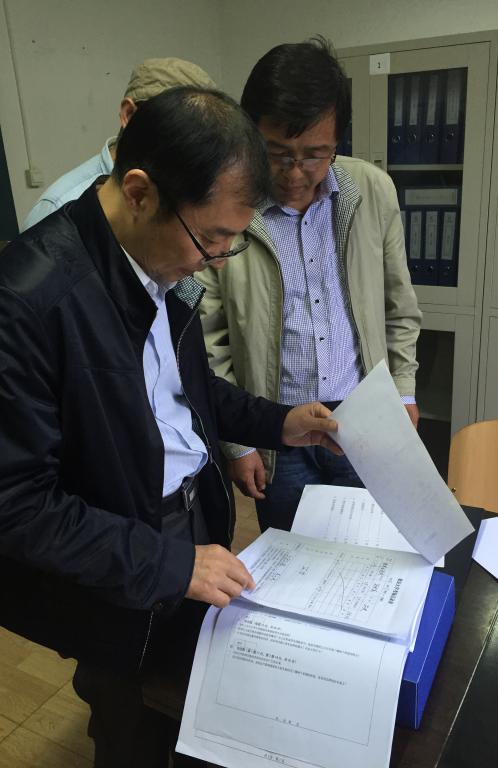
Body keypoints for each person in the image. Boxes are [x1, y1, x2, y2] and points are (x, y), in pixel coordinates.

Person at [0, 86, 340, 768]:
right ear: (139, 192)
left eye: (232, 239)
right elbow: (19, 508)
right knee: (130, 720)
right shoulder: (28, 301)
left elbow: (188, 392)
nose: (216, 258)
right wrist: (169, 562)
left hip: (187, 526)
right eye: (211, 238)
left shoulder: (152, 261)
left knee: (189, 708)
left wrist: (280, 423)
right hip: (116, 560)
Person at [198, 38, 422, 533]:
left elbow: (399, 307)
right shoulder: (227, 207)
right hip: (278, 427)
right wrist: (239, 442)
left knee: (368, 545)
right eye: (277, 153)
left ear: (337, 141)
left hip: (364, 417)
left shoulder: (371, 192)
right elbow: (210, 338)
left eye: (315, 155)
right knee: (292, 554)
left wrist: (403, 390)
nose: (295, 173)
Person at [23, 57, 215, 229]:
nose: (191, 144)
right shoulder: (61, 207)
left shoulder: (185, 187)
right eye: (179, 125)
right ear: (129, 115)